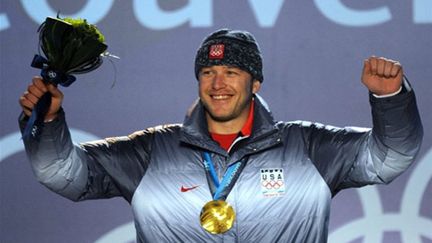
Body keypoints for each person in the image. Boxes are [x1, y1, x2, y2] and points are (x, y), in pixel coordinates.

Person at [19, 29, 423, 242]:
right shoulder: (152, 150)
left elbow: (390, 157)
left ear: (256, 82)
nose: (218, 83)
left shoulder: (307, 146)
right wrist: (50, 124)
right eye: (208, 73)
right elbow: (63, 175)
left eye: (232, 72)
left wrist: (389, 99)